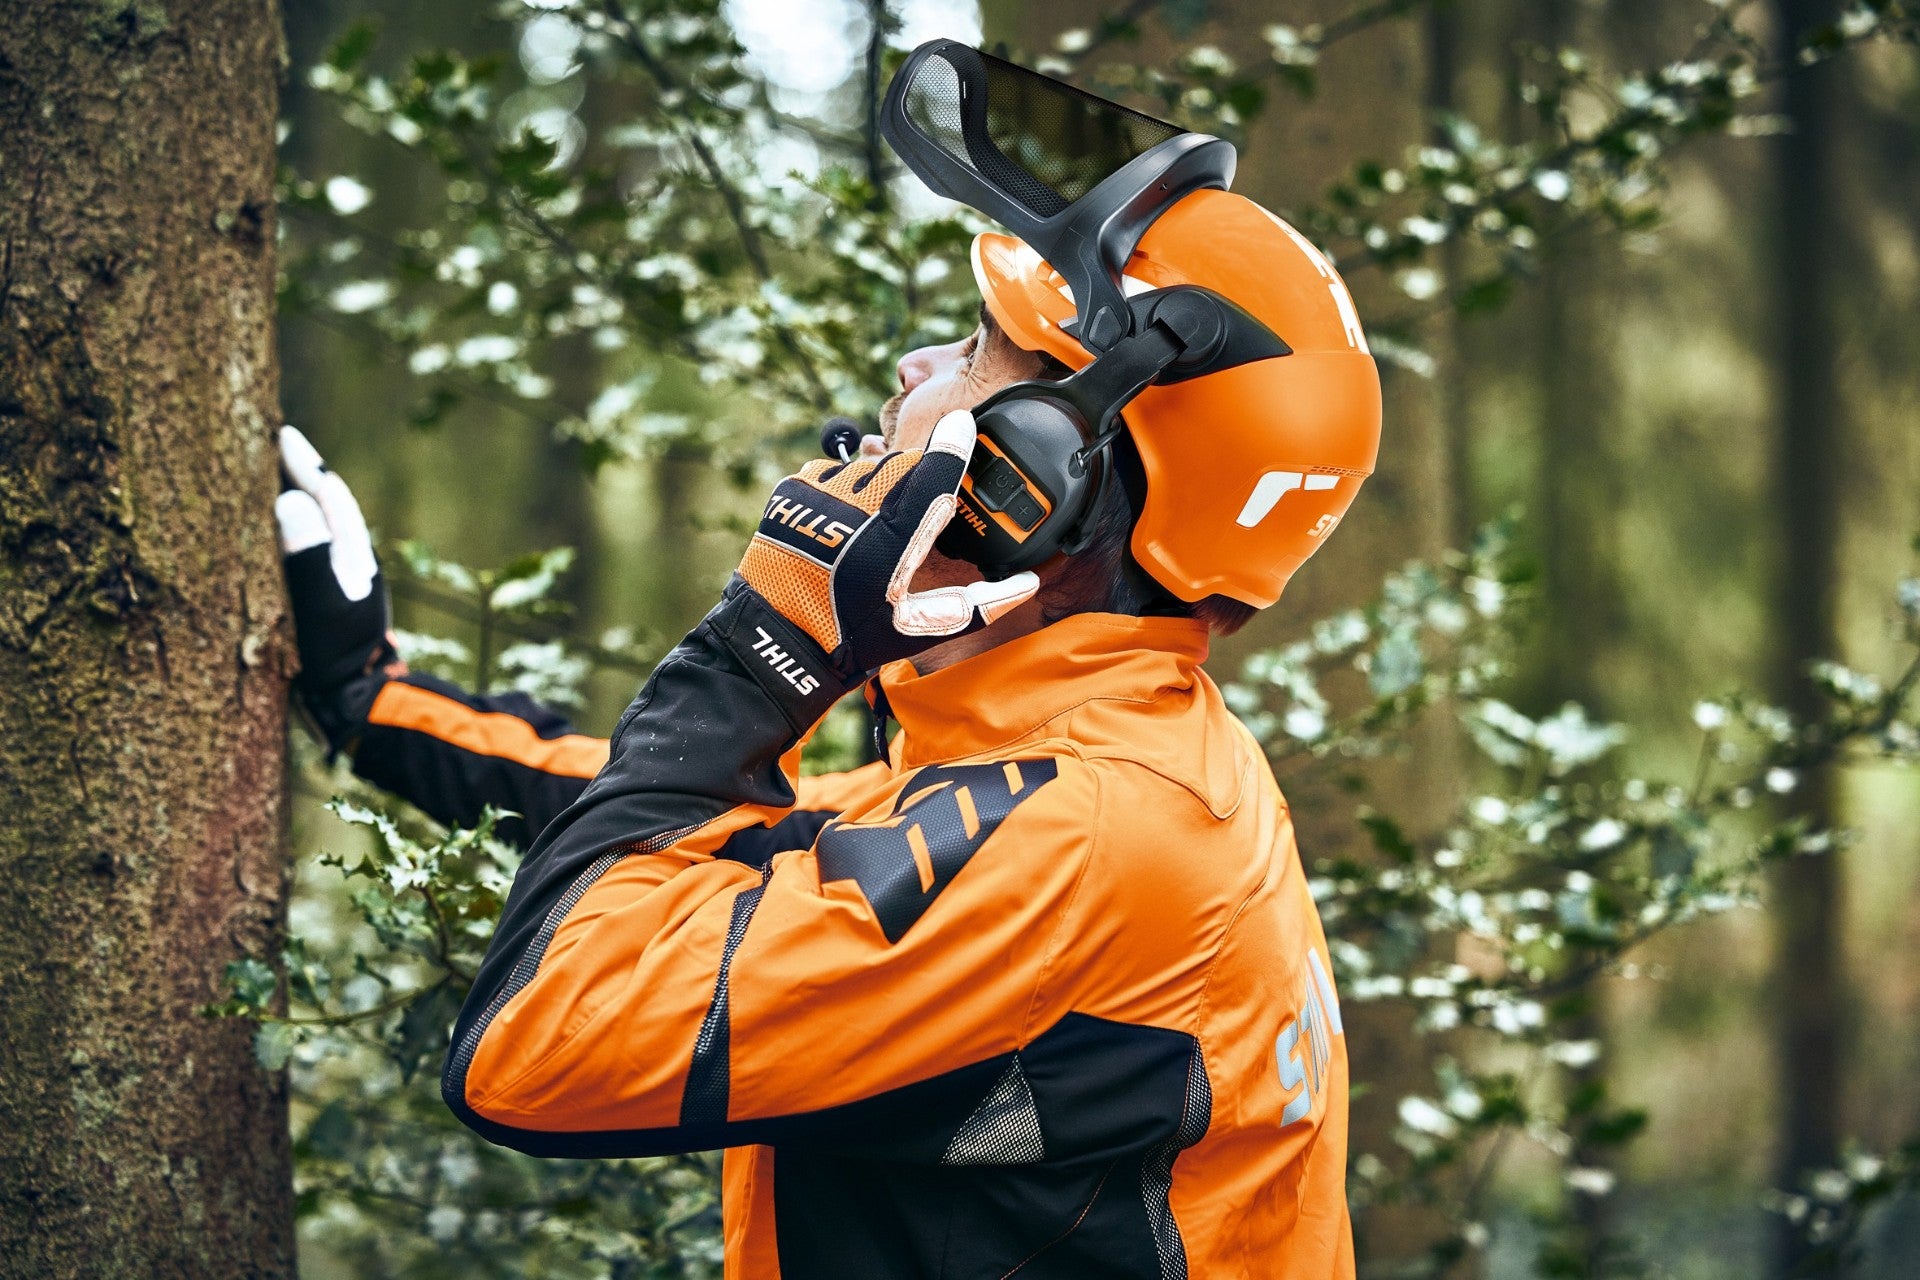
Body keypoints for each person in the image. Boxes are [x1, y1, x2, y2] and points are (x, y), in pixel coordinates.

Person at [279, 43, 1381, 1280]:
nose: (917, 371)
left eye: (974, 353)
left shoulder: (1080, 838)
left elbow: (536, 1040)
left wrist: (768, 648)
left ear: (1033, 484)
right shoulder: (1109, 763)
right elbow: (718, 829)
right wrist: (369, 696)